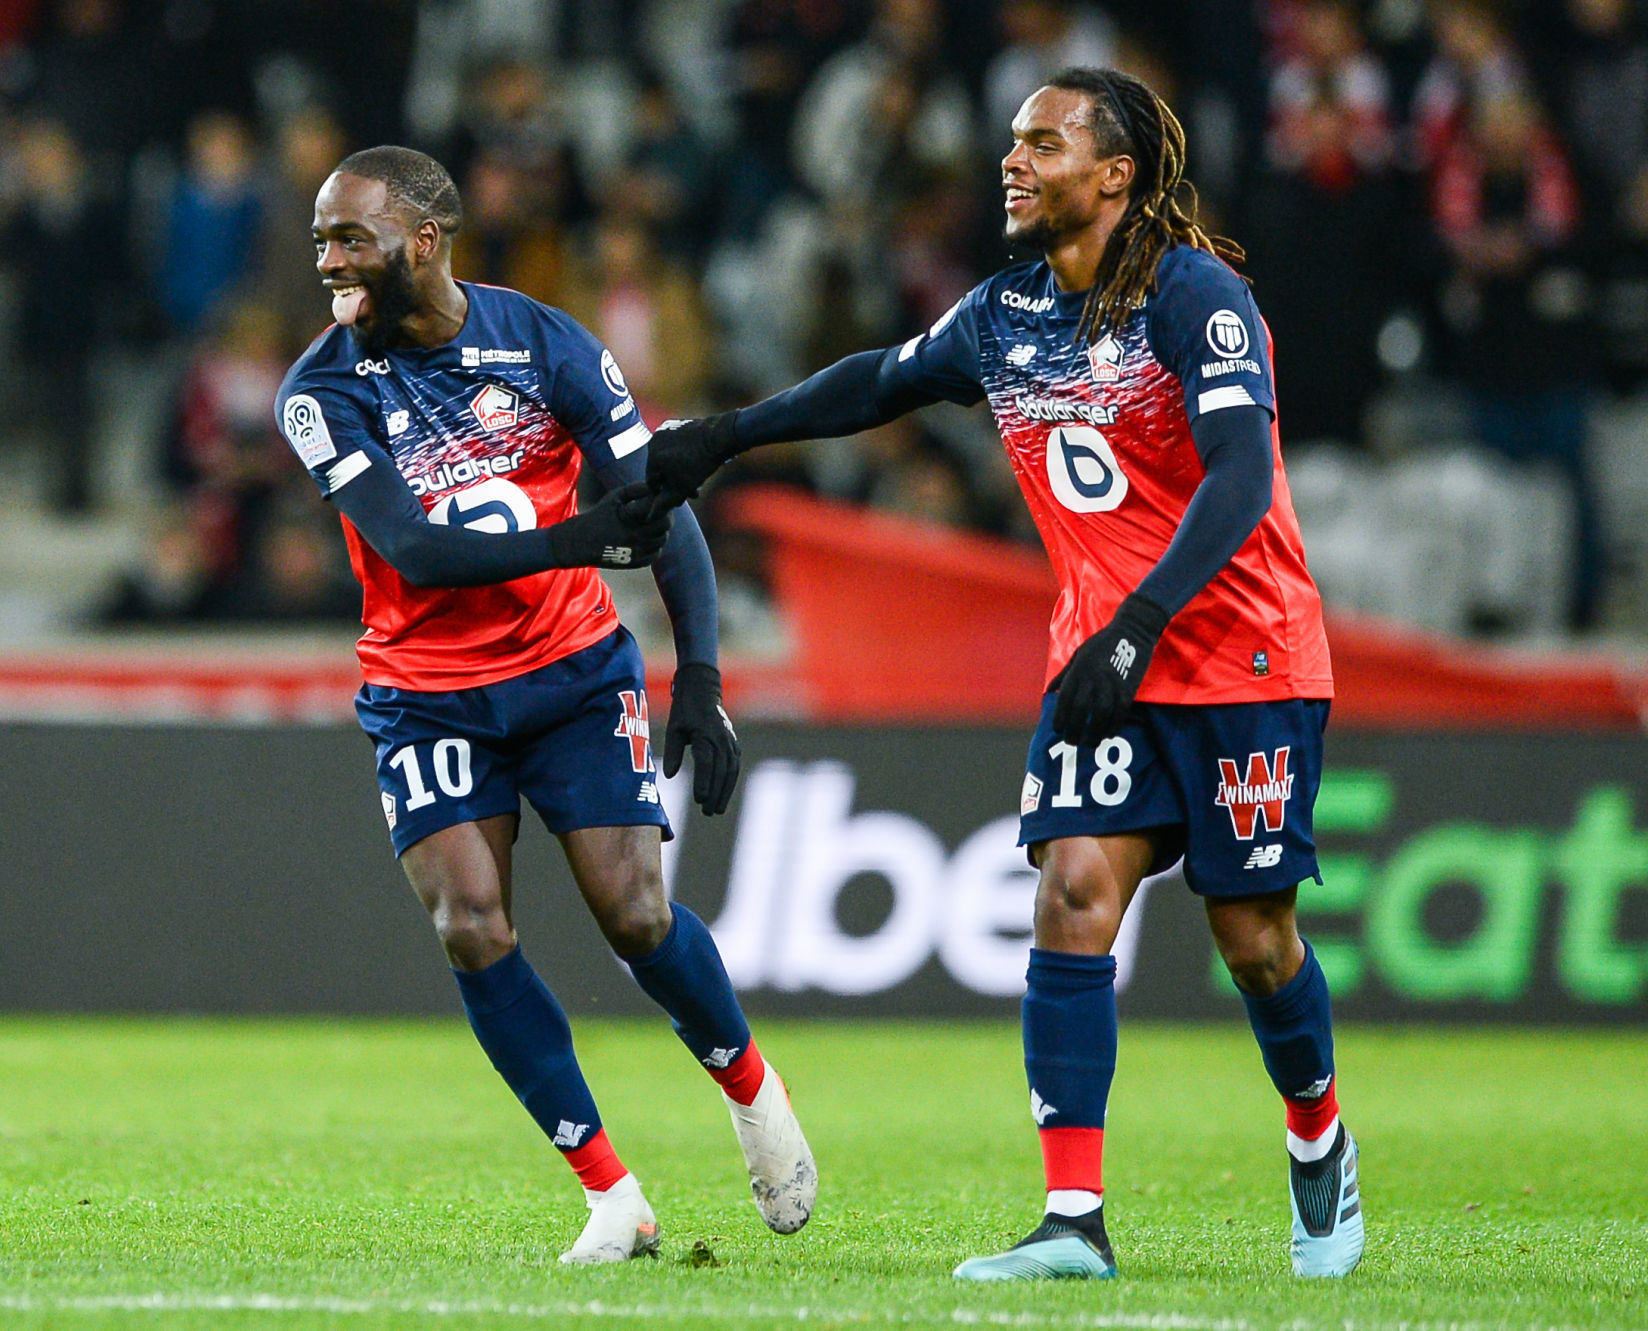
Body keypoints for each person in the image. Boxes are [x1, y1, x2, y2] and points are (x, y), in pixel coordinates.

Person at [646, 68, 1357, 1282]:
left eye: (1043, 142)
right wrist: (724, 436)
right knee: (1071, 890)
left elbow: (1239, 477)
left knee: (1253, 938)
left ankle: (1317, 1139)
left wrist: (1137, 623)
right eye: (1010, 141)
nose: (1012, 161)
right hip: (1103, 663)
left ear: (1115, 173)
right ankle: (1072, 1217)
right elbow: (875, 380)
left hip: (1236, 652)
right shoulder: (1003, 314)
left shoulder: (1196, 296)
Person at [272, 146, 817, 1264]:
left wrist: (702, 677)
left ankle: (750, 1087)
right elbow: (416, 551)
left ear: (423, 240)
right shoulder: (318, 390)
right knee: (469, 926)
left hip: (571, 674)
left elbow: (660, 507)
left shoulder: (547, 345)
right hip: (422, 694)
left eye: (348, 238)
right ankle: (610, 1192)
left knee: (637, 919)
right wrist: (579, 539)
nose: (327, 260)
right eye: (320, 237)